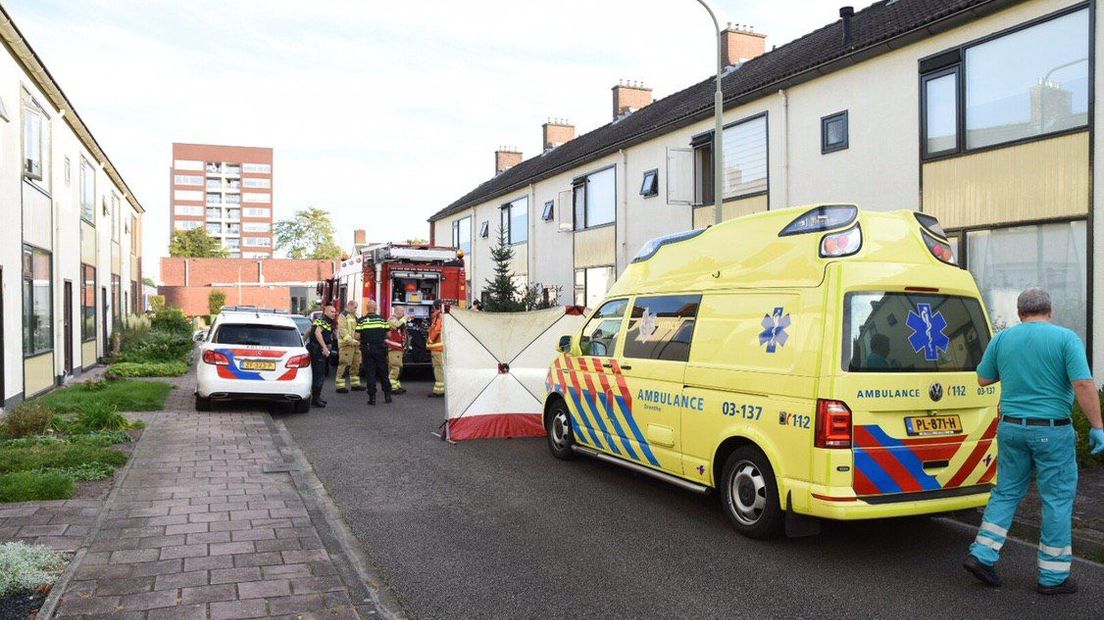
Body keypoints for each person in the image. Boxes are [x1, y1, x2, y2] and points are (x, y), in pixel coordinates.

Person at [963, 288, 1104, 594]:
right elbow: (1081, 383)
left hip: (1012, 428)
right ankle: (1052, 577)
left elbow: (983, 378)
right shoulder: (1065, 339)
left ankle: (982, 554)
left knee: (1006, 492)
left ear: (1019, 313)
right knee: (1055, 499)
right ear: (1050, 311)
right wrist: (1098, 426)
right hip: (1052, 431)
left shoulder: (1003, 339)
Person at [356, 300, 393, 406]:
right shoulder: (382, 320)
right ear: (376, 308)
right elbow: (389, 335)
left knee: (370, 373)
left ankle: (372, 398)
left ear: (367, 308)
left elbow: (357, 336)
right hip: (380, 349)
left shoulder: (361, 320)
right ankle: (387, 396)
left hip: (367, 349)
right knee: (383, 373)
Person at [306, 305, 337, 408]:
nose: (334, 313)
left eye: (335, 312)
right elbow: (317, 332)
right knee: (319, 375)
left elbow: (309, 330)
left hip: (314, 349)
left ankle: (316, 397)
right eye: (332, 311)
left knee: (317, 374)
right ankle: (315, 398)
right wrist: (324, 347)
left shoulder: (319, 320)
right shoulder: (324, 321)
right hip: (318, 351)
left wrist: (301, 341)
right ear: (326, 312)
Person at [335, 301, 363, 393]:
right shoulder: (343, 315)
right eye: (355, 307)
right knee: (344, 364)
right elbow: (342, 330)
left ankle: (355, 384)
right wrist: (350, 340)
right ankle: (340, 386)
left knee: (356, 364)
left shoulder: (353, 316)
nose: (356, 309)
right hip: (346, 345)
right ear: (350, 306)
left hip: (355, 345)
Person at [385, 307, 409, 395]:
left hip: (398, 348)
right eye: (402, 311)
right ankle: (392, 387)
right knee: (395, 367)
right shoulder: (391, 319)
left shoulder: (398, 319)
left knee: (398, 367)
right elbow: (397, 325)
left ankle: (397, 385)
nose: (403, 312)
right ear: (396, 311)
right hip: (394, 348)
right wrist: (405, 319)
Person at [426, 301, 445, 398]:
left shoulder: (439, 316)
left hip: (437, 346)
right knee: (440, 367)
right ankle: (440, 389)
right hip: (440, 346)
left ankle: (439, 391)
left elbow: (437, 329)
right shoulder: (443, 315)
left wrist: (430, 339)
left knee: (438, 368)